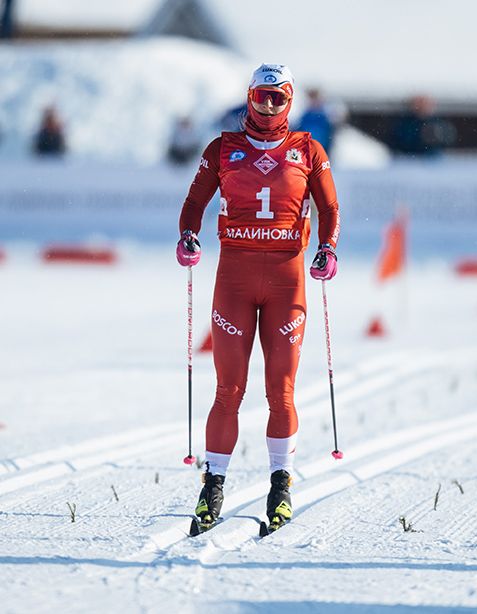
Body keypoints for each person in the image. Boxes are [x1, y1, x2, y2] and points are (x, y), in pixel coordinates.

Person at [176, 64, 341, 534]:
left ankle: (281, 486)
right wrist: (188, 236)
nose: (269, 105)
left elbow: (329, 207)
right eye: (262, 96)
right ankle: (213, 486)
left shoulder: (308, 149)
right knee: (228, 389)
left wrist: (327, 248)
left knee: (280, 390)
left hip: (287, 279)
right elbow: (193, 203)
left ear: (291, 101)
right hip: (235, 277)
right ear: (248, 96)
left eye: (279, 97)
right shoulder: (222, 148)